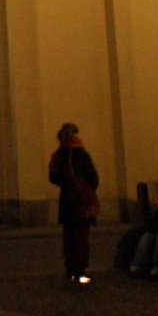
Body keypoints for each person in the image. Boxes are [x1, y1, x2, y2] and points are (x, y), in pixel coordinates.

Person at [49, 122, 100, 285]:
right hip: (82, 201)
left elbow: (53, 177)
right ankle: (80, 270)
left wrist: (66, 184)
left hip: (66, 200)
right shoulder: (81, 154)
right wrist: (87, 189)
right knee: (81, 237)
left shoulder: (58, 155)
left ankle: (70, 269)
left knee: (69, 236)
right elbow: (93, 176)